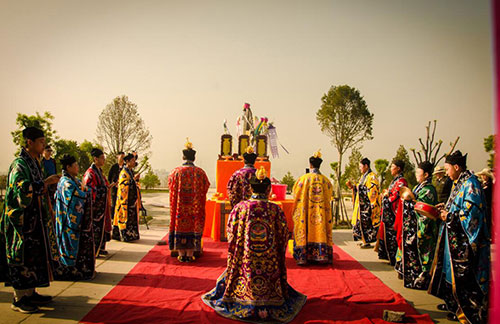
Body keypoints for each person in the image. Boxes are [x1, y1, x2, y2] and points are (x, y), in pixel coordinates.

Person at [202, 167, 307, 323]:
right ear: (268, 189)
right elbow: (284, 235)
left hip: (246, 260)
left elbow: (230, 234)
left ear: (250, 188)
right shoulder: (275, 209)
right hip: (268, 262)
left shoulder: (240, 208)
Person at [0, 127, 60, 313]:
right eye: (41, 141)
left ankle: (30, 292)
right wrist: (46, 182)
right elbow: (22, 191)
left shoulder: (34, 163)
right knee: (20, 257)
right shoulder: (19, 164)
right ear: (29, 142)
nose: (43, 145)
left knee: (33, 257)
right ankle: (19, 299)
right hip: (20, 222)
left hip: (34, 221)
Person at [429, 151, 490, 323]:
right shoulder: (459, 183)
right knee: (450, 273)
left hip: (466, 242)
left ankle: (468, 311)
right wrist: (445, 207)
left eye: (447, 169)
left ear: (457, 167)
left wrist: (449, 216)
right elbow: (457, 205)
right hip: (453, 238)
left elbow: (472, 215)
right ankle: (454, 305)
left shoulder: (471, 184)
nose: (446, 172)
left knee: (466, 278)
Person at [394, 161, 438, 290]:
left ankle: (422, 278)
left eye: (418, 173)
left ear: (426, 174)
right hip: (412, 227)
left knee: (422, 252)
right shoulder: (419, 187)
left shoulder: (429, 190)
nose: (416, 175)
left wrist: (409, 203)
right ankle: (411, 274)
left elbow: (423, 210)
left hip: (423, 229)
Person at [54, 154, 95, 280]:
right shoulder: (66, 182)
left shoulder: (74, 180)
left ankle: (79, 268)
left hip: (75, 220)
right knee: (68, 244)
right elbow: (77, 196)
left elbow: (85, 189)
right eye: (75, 165)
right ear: (68, 167)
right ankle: (68, 270)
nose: (77, 167)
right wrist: (86, 192)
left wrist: (86, 191)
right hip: (68, 221)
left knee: (76, 244)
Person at [168, 139, 210, 262]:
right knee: (193, 227)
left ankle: (181, 254)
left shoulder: (175, 172)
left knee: (180, 225)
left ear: (183, 157)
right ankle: (190, 254)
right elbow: (206, 187)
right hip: (194, 209)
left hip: (180, 208)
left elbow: (170, 188)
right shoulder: (200, 173)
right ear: (194, 158)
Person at [291, 150, 333, 265]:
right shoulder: (326, 181)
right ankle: (321, 255)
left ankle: (303, 256)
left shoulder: (303, 180)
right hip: (321, 213)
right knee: (320, 230)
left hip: (306, 211)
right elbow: (329, 196)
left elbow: (296, 195)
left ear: (310, 165)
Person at [378, 159, 407, 265]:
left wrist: (387, 197)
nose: (390, 168)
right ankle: (390, 257)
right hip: (389, 212)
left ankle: (395, 259)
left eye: (392, 166)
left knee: (394, 235)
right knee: (388, 234)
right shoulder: (395, 180)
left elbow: (396, 196)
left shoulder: (402, 181)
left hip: (394, 213)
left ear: (398, 168)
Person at [84, 148, 112, 255]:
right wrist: (103, 189)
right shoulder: (90, 173)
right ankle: (94, 251)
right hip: (95, 209)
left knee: (101, 228)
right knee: (94, 230)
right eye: (102, 158)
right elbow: (89, 189)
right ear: (95, 159)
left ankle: (99, 248)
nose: (104, 160)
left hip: (101, 208)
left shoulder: (99, 171)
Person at [351, 158, 381, 248]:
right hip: (361, 206)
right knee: (360, 224)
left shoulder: (372, 177)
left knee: (368, 225)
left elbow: (373, 191)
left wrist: (371, 205)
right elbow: (359, 188)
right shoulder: (364, 176)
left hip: (367, 206)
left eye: (361, 167)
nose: (360, 169)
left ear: (366, 166)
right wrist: (353, 187)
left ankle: (367, 241)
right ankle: (364, 240)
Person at [113, 153, 140, 242]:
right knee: (124, 218)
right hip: (125, 201)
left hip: (131, 201)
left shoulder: (129, 172)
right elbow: (123, 188)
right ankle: (125, 235)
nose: (134, 162)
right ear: (127, 161)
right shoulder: (124, 173)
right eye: (132, 161)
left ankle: (131, 235)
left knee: (131, 219)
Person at [108, 152, 124, 239]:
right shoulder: (114, 167)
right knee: (114, 208)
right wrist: (114, 184)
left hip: (123, 193)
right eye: (121, 157)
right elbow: (109, 178)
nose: (122, 159)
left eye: (123, 157)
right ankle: (115, 229)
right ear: (117, 157)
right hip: (115, 191)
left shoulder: (125, 168)